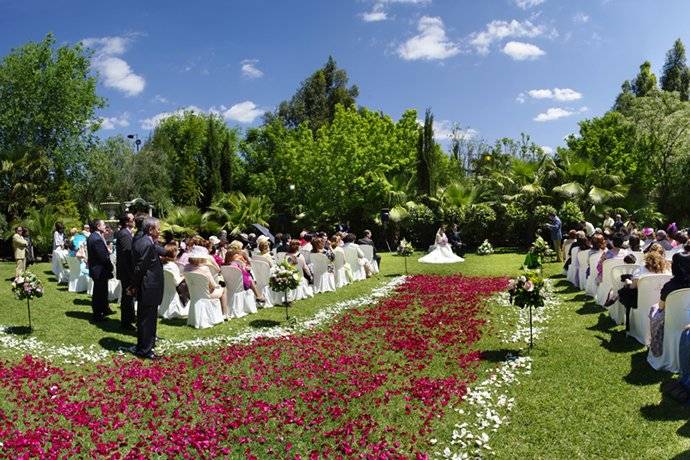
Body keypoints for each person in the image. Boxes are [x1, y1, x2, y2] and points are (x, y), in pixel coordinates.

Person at [131, 217, 166, 360]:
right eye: (158, 228)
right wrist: (134, 285)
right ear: (151, 230)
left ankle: (147, 345)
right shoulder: (146, 243)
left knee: (149, 318)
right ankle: (145, 350)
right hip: (148, 287)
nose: (160, 231)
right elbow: (140, 268)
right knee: (146, 319)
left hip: (150, 286)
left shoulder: (147, 241)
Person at [649, 253, 690, 358]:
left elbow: (661, 307)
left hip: (673, 320)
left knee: (654, 308)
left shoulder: (669, 286)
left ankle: (657, 348)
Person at [186, 246, 229, 316]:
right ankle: (225, 313)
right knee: (224, 289)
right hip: (207, 295)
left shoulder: (187, 267)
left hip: (193, 294)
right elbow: (214, 285)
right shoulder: (204, 269)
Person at [87, 220, 115, 323]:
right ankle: (97, 314)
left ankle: (104, 309)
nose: (105, 226)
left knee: (102, 291)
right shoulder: (96, 238)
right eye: (103, 225)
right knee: (99, 293)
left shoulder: (95, 236)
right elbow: (103, 257)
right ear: (98, 226)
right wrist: (110, 266)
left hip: (98, 270)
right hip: (99, 270)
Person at [115, 213, 136, 331]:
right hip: (126, 272)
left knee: (128, 296)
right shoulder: (124, 234)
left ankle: (129, 318)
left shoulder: (126, 233)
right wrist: (131, 273)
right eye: (132, 219)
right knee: (127, 296)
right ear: (127, 222)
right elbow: (127, 255)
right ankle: (126, 322)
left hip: (125, 271)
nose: (134, 221)